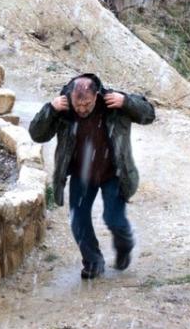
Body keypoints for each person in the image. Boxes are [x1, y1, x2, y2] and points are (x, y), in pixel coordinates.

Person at [29, 73, 155, 279]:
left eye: (87, 104)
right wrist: (50, 109)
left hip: (113, 173)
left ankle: (125, 245)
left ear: (96, 96)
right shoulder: (63, 109)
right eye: (78, 105)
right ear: (70, 96)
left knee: (113, 219)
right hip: (81, 174)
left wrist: (127, 102)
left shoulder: (113, 102)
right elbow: (37, 134)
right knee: (78, 220)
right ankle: (93, 261)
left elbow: (149, 115)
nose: (82, 109)